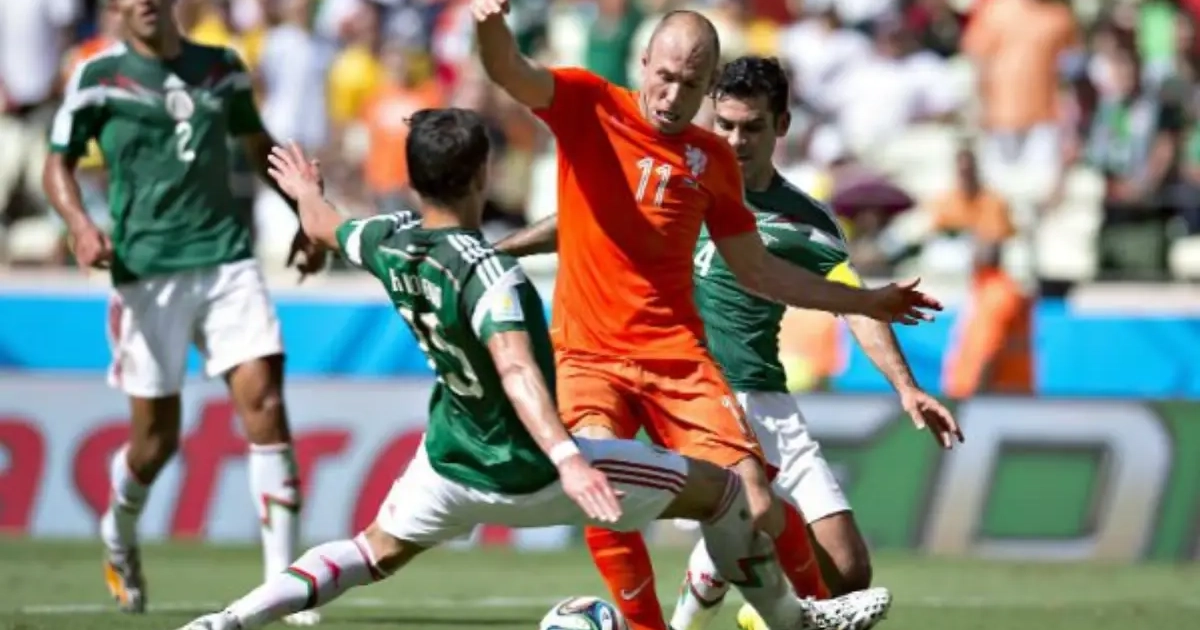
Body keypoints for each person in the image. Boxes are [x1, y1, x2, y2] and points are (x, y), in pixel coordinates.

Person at [177, 108, 893, 630]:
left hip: (448, 464)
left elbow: (325, 225)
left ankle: (230, 619)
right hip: (535, 470)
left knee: (371, 552)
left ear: (416, 180)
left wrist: (306, 190)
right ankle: (796, 623)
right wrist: (568, 458)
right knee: (728, 492)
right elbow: (519, 372)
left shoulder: (390, 241)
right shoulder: (492, 275)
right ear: (480, 176)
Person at [478, 6, 940, 630]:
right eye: (666, 79)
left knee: (781, 521)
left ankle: (797, 611)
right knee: (605, 483)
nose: (674, 98)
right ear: (645, 63)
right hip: (596, 355)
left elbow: (768, 273)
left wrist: (871, 315)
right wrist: (489, 25)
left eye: (691, 86)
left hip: (694, 368)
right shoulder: (596, 107)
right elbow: (515, 79)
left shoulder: (724, 172)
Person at [41, 0, 325, 622]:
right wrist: (81, 226)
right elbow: (56, 163)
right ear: (116, 7)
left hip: (227, 262)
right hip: (146, 274)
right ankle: (118, 532)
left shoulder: (222, 66)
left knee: (266, 403)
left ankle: (283, 586)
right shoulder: (98, 77)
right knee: (155, 443)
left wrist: (307, 214)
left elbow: (257, 145)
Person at [664, 55, 965, 630]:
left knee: (847, 574)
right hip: (698, 394)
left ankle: (757, 616)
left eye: (752, 127)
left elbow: (854, 302)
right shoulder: (676, 185)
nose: (736, 140)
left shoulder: (804, 220)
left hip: (766, 399)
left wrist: (906, 387)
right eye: (725, 125)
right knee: (746, 513)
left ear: (782, 125)